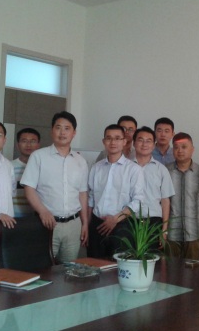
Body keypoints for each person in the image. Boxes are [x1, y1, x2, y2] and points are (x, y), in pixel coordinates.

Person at [21, 112, 89, 263]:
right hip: (47, 223)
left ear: (74, 133)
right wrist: (43, 211)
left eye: (67, 128)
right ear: (52, 131)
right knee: (43, 267)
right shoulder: (38, 156)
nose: (62, 132)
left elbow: (82, 193)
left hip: (73, 225)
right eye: (58, 127)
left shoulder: (80, 161)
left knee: (69, 269)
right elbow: (29, 188)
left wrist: (84, 223)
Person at [87, 124, 145, 258]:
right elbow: (90, 199)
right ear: (104, 141)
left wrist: (115, 219)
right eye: (109, 138)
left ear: (124, 141)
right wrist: (87, 226)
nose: (113, 142)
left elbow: (138, 201)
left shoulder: (134, 169)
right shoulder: (96, 168)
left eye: (117, 138)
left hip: (121, 226)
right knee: (94, 264)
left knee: (118, 267)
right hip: (97, 225)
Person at [165, 132, 199, 260]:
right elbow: (162, 202)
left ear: (192, 149)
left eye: (184, 147)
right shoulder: (165, 171)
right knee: (170, 269)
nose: (180, 151)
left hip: (193, 232)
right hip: (171, 233)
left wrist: (192, 217)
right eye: (176, 147)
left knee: (192, 269)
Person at [133, 126, 174, 248]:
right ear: (134, 143)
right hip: (129, 221)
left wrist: (164, 229)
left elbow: (165, 201)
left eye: (148, 141)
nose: (144, 144)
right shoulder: (125, 168)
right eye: (140, 140)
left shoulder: (161, 169)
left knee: (152, 258)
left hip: (153, 222)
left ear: (153, 145)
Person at [12, 127, 41, 217]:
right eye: (24, 141)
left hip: (39, 217)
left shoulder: (44, 167)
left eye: (33, 141)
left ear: (38, 145)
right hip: (13, 217)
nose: (28, 145)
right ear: (18, 145)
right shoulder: (9, 166)